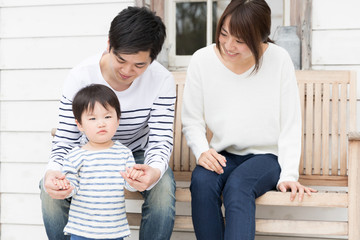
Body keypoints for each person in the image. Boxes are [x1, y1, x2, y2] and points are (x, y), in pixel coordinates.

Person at [181, 0, 317, 239]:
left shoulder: (279, 59)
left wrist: (288, 175)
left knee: (238, 186)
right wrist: (202, 151)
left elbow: (290, 123)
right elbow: (192, 119)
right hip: (223, 154)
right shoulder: (202, 60)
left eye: (240, 40)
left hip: (266, 157)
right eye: (224, 34)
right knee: (202, 181)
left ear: (260, 38)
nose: (228, 45)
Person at [40, 6, 176, 240]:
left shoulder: (162, 80)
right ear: (109, 45)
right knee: (47, 191)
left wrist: (153, 171)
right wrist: (53, 171)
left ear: (152, 59)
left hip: (137, 154)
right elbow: (66, 138)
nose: (127, 70)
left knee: (162, 189)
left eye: (139, 65)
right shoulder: (80, 77)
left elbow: (160, 139)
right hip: (88, 151)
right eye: (121, 60)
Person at [53, 84, 143, 240]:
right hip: (82, 230)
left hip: (114, 229)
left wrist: (134, 177)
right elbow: (71, 188)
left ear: (118, 120)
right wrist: (64, 185)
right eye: (93, 118)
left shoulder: (123, 153)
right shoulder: (75, 156)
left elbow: (130, 186)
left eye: (107, 117)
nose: (101, 123)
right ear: (79, 124)